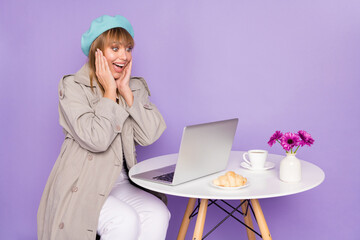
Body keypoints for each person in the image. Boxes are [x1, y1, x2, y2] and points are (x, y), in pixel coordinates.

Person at [37, 15, 170, 240]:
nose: (124, 56)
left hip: (120, 183)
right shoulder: (74, 87)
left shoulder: (133, 86)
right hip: (83, 184)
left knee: (158, 213)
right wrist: (110, 92)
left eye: (128, 48)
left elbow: (149, 136)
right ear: (96, 52)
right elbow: (97, 139)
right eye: (115, 48)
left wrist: (127, 94)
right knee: (123, 220)